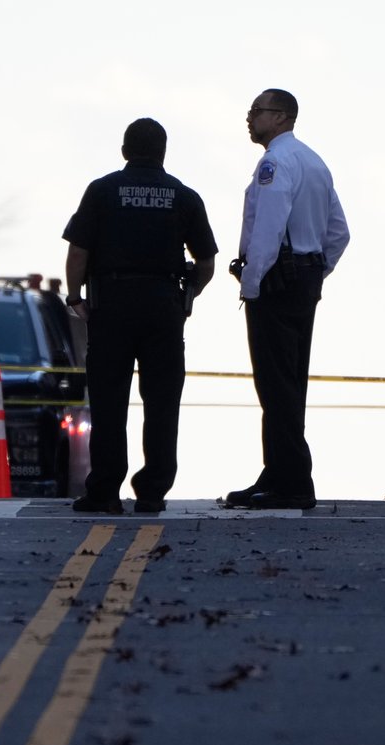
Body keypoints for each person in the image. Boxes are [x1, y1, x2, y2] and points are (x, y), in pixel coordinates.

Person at [62, 117, 217, 514]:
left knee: (109, 400)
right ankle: (152, 490)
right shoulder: (184, 196)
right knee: (163, 401)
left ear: (125, 151)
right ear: (163, 152)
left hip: (111, 303)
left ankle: (104, 491)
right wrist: (189, 295)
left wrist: (76, 296)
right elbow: (206, 261)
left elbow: (78, 251)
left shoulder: (101, 191)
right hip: (163, 306)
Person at [223, 88, 349, 510]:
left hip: (278, 280)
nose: (249, 117)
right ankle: (278, 471)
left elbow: (269, 228)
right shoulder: (315, 162)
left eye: (256, 110)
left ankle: (292, 480)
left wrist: (252, 281)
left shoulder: (275, 163)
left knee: (275, 383)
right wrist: (317, 269)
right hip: (303, 278)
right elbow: (338, 232)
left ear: (280, 117)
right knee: (290, 381)